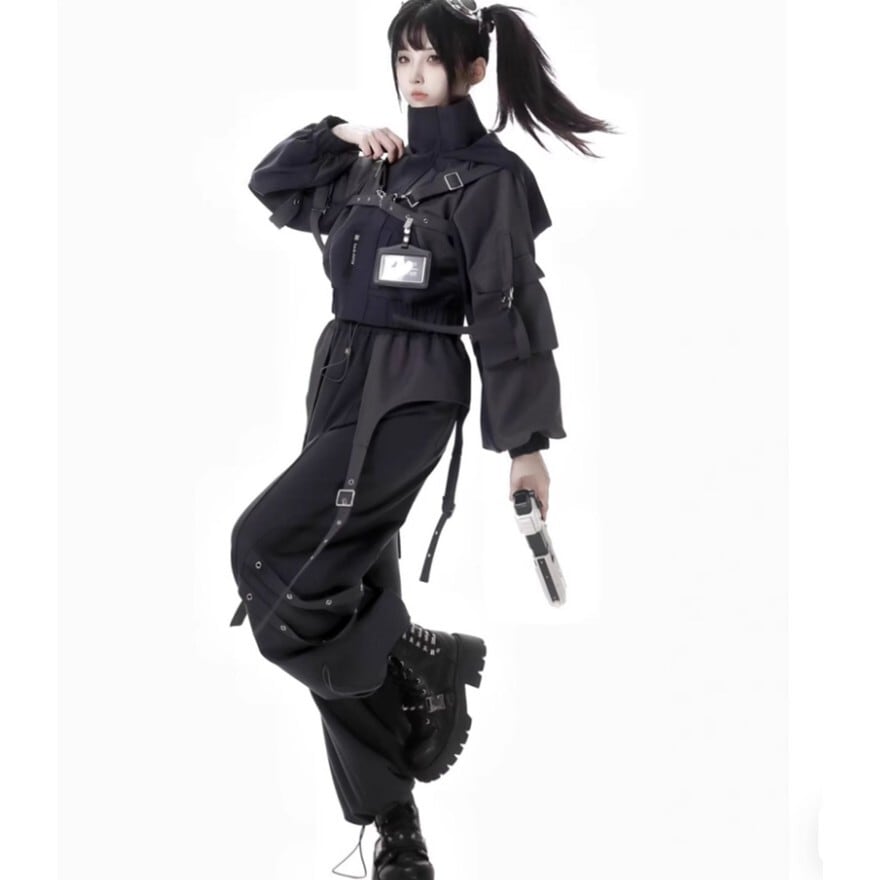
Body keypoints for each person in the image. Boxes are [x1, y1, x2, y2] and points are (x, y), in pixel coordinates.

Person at [229, 1, 615, 876]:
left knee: (265, 551)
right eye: (403, 56)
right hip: (340, 375)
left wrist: (525, 444)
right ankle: (397, 830)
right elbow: (272, 183)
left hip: (413, 387)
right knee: (344, 588)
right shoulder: (373, 166)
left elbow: (509, 311)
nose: (414, 73)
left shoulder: (491, 180)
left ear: (473, 69)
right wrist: (338, 133)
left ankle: (406, 647)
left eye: (431, 58)